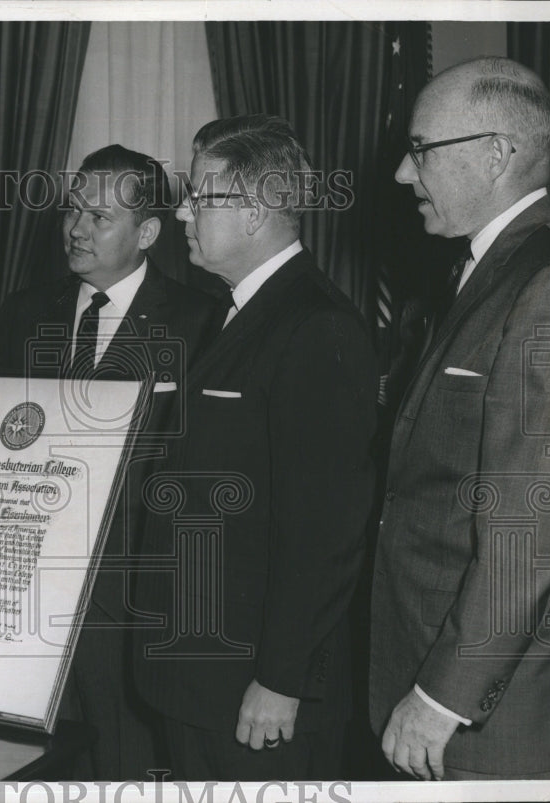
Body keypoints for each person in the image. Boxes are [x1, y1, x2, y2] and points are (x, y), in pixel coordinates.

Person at [132, 115, 378, 780]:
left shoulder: (316, 326)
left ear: (258, 210)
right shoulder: (233, 312)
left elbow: (325, 535)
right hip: (202, 679)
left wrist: (283, 678)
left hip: (255, 696)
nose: (183, 211)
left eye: (200, 196)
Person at [369, 56, 550, 781]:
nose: (403, 173)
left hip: (482, 719)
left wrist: (440, 696)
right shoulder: (477, 273)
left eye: (421, 149)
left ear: (497, 154)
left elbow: (532, 526)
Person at [0, 144, 216, 779]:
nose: (77, 230)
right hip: (27, 599)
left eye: (100, 218)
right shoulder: (22, 313)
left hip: (132, 605)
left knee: (126, 766)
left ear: (147, 233)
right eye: (73, 211)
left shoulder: (203, 323)